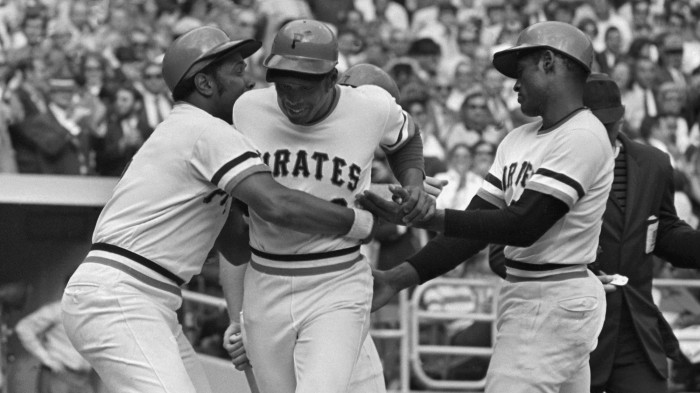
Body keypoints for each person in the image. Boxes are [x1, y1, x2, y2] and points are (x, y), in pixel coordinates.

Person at [60, 26, 383, 393]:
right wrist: (359, 222)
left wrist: (246, 319)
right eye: (236, 70)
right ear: (205, 84)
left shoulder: (193, 131)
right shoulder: (207, 131)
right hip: (119, 293)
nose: (248, 82)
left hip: (143, 298)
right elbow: (276, 203)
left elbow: (236, 240)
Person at [358, 21, 613, 393]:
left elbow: (523, 226)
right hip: (531, 295)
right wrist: (400, 277)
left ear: (548, 62)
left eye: (520, 70)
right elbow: (474, 230)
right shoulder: (518, 138)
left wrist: (430, 217)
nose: (513, 84)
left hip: (553, 298)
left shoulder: (583, 134)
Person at [220, 20, 433, 393]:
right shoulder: (247, 111)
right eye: (283, 87)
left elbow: (406, 137)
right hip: (265, 279)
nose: (291, 99)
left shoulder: (369, 107)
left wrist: (412, 182)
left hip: (335, 278)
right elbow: (234, 225)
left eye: (303, 88)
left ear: (331, 79)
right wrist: (236, 316)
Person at [578, 74, 700, 393]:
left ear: (622, 117)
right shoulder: (550, 162)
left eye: (610, 123)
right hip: (574, 330)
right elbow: (510, 250)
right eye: (594, 124)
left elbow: (664, 230)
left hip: (635, 330)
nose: (604, 133)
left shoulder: (654, 162)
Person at [16, 275, 95, 393]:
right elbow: (23, 327)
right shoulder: (57, 310)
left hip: (82, 378)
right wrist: (46, 358)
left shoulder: (93, 315)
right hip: (59, 375)